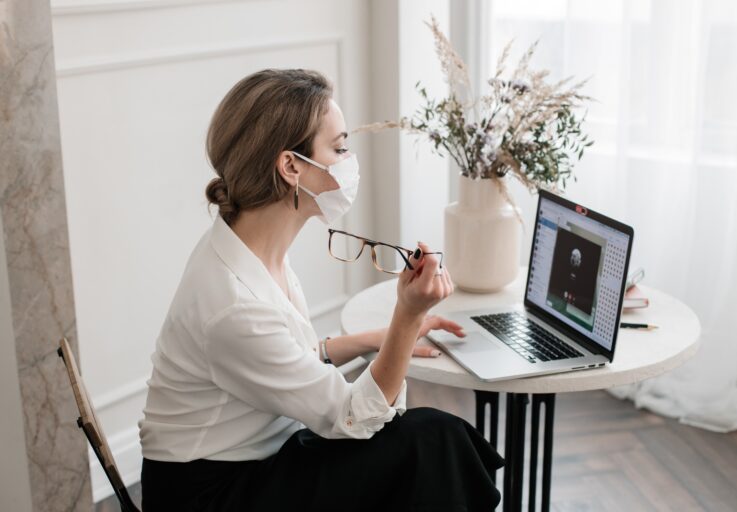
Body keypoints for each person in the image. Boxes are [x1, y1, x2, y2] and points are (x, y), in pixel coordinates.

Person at [139, 68, 505, 511]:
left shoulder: (246, 246)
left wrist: (378, 340)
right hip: (211, 493)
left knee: (429, 442)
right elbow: (354, 417)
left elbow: (289, 354)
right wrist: (404, 319)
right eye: (339, 148)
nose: (349, 162)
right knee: (426, 441)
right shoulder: (233, 305)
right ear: (291, 166)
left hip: (248, 461)